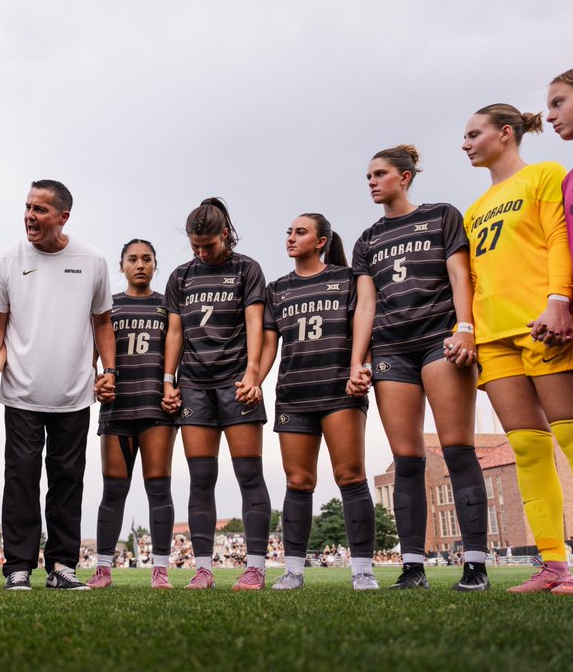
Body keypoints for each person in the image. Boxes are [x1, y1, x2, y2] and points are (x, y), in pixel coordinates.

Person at [464, 102, 573, 594]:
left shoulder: (546, 175)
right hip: (494, 336)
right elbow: (474, 276)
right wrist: (466, 329)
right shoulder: (473, 209)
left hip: (545, 324)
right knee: (527, 449)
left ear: (505, 133)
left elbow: (559, 238)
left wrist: (559, 302)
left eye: (474, 134)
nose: (465, 144)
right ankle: (552, 564)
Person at [351, 145, 490, 591]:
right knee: (407, 459)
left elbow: (460, 276)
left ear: (405, 177)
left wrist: (465, 328)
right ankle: (413, 568)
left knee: (457, 449)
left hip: (438, 339)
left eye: (379, 174)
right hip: (392, 348)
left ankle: (475, 566)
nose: (372, 182)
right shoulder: (367, 239)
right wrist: (357, 361)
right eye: (368, 176)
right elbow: (366, 305)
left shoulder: (441, 216)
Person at [0, 179, 115, 591]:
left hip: (74, 393)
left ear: (63, 217)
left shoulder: (92, 260)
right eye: (27, 207)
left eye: (39, 209)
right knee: (20, 480)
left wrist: (109, 371)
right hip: (22, 392)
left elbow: (103, 323)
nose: (29, 216)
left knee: (67, 482)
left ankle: (61, 567)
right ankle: (18, 567)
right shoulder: (7, 259)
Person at [258, 214, 378, 590]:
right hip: (293, 394)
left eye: (301, 232)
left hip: (339, 391)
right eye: (289, 232)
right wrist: (254, 380)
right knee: (298, 481)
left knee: (350, 476)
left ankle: (363, 570)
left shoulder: (348, 279)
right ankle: (293, 570)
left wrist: (364, 367)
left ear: (321, 241)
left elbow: (365, 327)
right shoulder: (277, 289)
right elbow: (268, 346)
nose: (291, 238)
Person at [161, 198, 270, 591]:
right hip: (194, 386)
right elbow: (175, 332)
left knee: (249, 474)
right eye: (195, 247)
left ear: (225, 234)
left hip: (236, 384)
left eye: (208, 246)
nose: (202, 253)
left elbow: (255, 324)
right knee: (201, 477)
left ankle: (255, 568)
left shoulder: (247, 269)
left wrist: (253, 374)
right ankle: (203, 568)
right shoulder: (180, 276)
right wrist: (168, 380)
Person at [86, 239, 177, 590]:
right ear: (121, 265)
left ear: (155, 265)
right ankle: (103, 569)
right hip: (117, 407)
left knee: (159, 488)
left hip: (156, 407)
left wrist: (174, 386)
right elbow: (92, 354)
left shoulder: (167, 306)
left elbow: (178, 350)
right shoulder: (108, 306)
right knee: (113, 490)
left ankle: (161, 570)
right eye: (133, 259)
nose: (140, 265)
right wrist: (96, 381)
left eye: (147, 259)